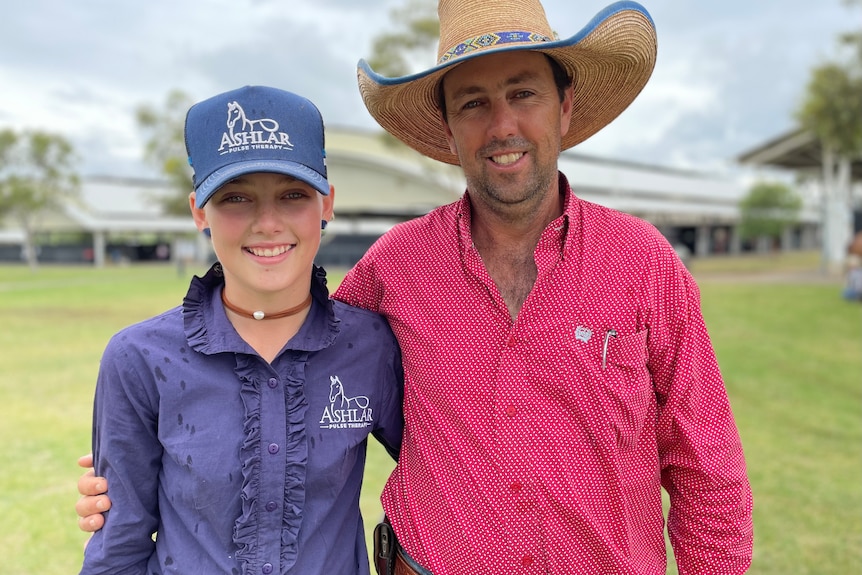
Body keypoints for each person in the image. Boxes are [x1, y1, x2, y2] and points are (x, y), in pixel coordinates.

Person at [78, 1, 755, 573]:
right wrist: (132, 467)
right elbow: (295, 355)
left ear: (565, 107)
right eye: (473, 102)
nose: (502, 125)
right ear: (448, 128)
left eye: (523, 93)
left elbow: (708, 470)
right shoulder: (392, 269)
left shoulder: (646, 263)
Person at [77, 85, 404, 575]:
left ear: (328, 204)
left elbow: (446, 469)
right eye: (236, 198)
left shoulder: (374, 345)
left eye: (293, 195)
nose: (267, 222)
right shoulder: (138, 357)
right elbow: (118, 546)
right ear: (198, 211)